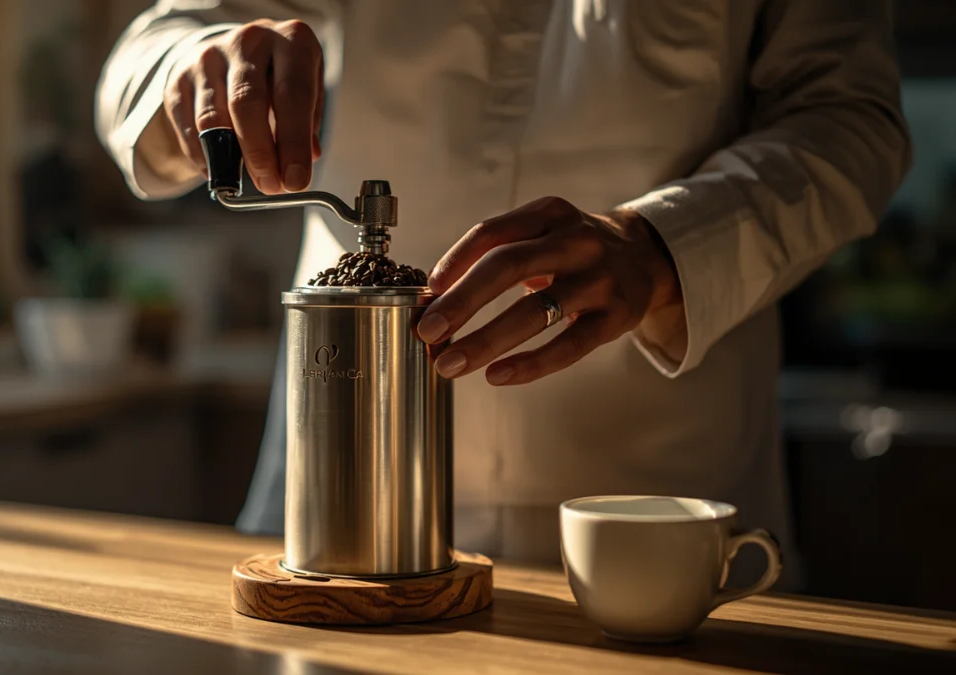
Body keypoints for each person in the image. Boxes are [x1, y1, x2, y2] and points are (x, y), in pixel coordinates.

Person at [96, 1, 910, 587]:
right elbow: (151, 47)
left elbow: (850, 120)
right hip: (323, 525)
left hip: (654, 524)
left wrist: (662, 246)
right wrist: (193, 69)